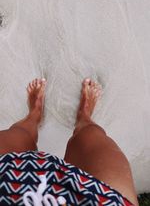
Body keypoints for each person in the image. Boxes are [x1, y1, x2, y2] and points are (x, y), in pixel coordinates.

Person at [0, 78, 139, 206]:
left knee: (20, 134)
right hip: (99, 199)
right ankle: (83, 116)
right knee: (91, 134)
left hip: (7, 184)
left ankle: (34, 114)